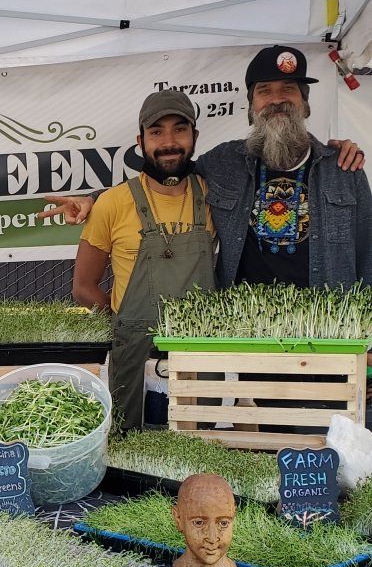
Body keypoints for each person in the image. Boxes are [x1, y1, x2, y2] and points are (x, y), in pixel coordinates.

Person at [43, 44, 369, 290]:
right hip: (243, 333)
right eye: (264, 91)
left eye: (288, 90)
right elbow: (167, 175)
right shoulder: (225, 162)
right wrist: (94, 199)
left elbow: (368, 258)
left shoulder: (343, 170)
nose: (276, 99)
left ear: (305, 103)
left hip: (327, 332)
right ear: (251, 107)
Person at [73, 89, 217, 429]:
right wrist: (126, 322)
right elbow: (83, 287)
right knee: (131, 452)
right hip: (135, 357)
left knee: (199, 445)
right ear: (140, 141)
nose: (169, 141)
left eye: (179, 129)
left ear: (194, 136)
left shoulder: (215, 194)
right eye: (156, 132)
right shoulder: (111, 204)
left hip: (200, 352)